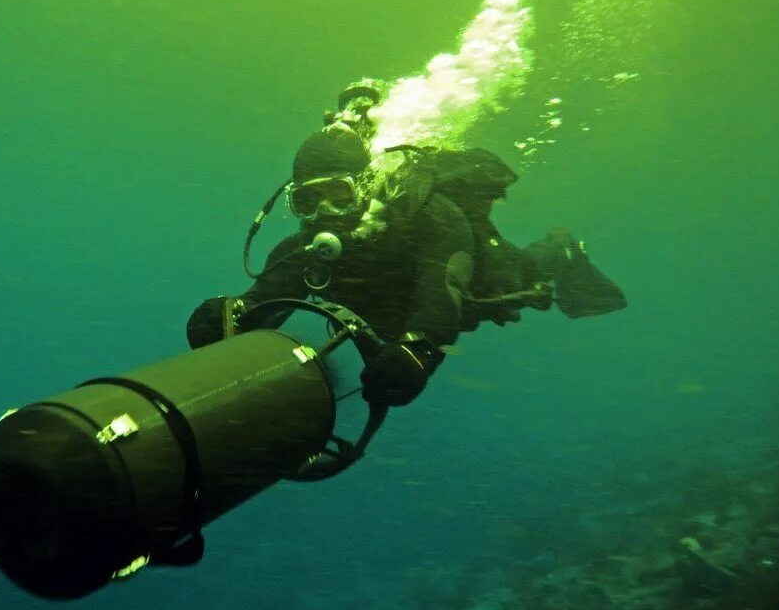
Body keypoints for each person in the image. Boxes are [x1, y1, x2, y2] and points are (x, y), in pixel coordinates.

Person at [187, 89, 626, 408]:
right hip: (394, 310)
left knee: (510, 278)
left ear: (365, 185)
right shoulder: (303, 248)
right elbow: (266, 296)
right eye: (308, 200)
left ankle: (562, 250)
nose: (324, 213)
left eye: (339, 194)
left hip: (469, 282)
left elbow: (441, 296)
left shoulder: (433, 218)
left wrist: (419, 351)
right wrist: (232, 314)